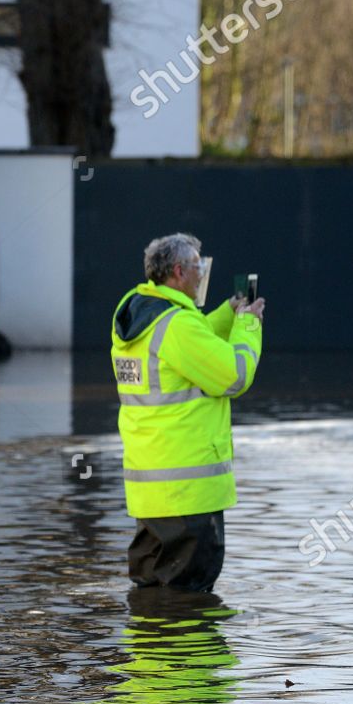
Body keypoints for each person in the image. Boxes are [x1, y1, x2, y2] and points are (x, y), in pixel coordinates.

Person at [110, 233, 264, 594]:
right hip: (189, 495)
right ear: (179, 271)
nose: (202, 275)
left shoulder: (142, 313)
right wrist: (249, 325)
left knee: (152, 591)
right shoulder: (176, 325)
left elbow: (191, 344)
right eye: (199, 267)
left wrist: (228, 313)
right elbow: (234, 375)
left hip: (151, 492)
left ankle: (150, 651)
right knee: (188, 594)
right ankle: (190, 653)